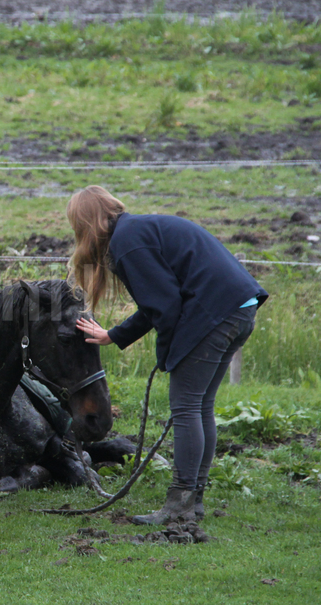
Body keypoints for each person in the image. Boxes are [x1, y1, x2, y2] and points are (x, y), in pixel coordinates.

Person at [68, 185, 268, 525]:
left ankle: (179, 506)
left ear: (86, 223)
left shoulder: (127, 242)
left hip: (215, 314)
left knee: (187, 406)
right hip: (238, 309)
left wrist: (167, 356)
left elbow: (165, 306)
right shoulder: (137, 231)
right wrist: (114, 335)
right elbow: (157, 305)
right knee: (199, 405)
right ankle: (194, 502)